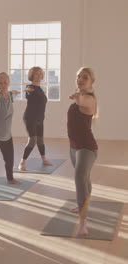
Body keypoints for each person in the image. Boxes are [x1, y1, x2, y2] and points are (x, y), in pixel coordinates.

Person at [67, 67, 98, 236]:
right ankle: (83, 204)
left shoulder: (90, 99)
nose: (80, 79)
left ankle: (83, 222)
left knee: (80, 178)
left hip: (87, 148)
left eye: (84, 77)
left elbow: (83, 101)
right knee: (84, 179)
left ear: (92, 81)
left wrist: (77, 97)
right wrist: (76, 97)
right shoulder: (79, 96)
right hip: (74, 147)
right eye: (78, 77)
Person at [18, 67, 53, 171]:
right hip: (30, 118)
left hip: (39, 119)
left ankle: (44, 159)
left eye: (40, 74)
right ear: (32, 76)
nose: (38, 76)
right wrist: (28, 92)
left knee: (40, 140)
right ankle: (22, 163)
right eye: (36, 74)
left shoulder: (40, 89)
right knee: (32, 140)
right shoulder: (30, 87)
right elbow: (29, 93)